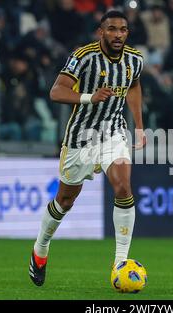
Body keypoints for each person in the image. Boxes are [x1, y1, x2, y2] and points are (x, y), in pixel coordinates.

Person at [29, 10, 146, 286]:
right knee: (65, 201)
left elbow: (134, 87)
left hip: (113, 132)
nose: (118, 35)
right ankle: (41, 247)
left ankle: (120, 262)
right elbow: (56, 92)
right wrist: (89, 97)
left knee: (123, 187)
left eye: (123, 30)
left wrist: (139, 125)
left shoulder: (135, 59)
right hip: (81, 137)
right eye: (112, 29)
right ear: (101, 32)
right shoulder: (83, 56)